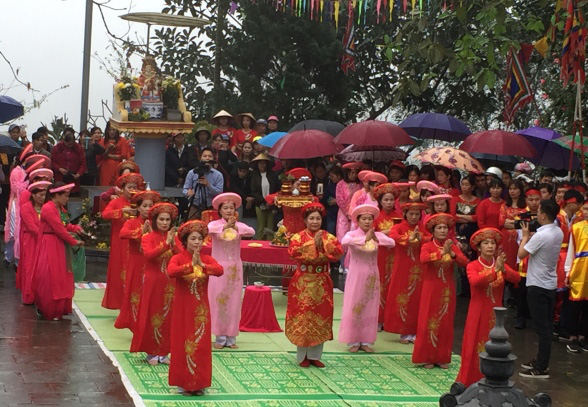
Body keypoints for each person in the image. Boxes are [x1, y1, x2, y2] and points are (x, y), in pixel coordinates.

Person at [455, 228, 521, 386]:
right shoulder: (473, 265)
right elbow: (475, 282)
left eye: (492, 243)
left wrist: (503, 268)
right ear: (478, 248)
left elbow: (516, 278)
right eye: (486, 243)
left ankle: (492, 380)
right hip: (478, 313)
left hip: (495, 314)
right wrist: (495, 270)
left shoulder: (499, 264)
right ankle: (470, 380)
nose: (490, 246)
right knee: (474, 346)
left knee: (495, 345)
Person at [167, 220, 224, 396]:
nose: (197, 242)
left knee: (200, 345)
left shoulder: (206, 259)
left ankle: (199, 384)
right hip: (182, 310)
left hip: (200, 311)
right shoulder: (177, 258)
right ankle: (183, 384)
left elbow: (220, 270)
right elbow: (171, 272)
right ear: (185, 241)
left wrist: (202, 264)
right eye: (193, 238)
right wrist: (192, 264)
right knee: (183, 344)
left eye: (200, 238)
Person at [286, 203, 343, 367]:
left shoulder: (329, 237)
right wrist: (313, 244)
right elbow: (293, 252)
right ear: (305, 220)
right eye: (311, 218)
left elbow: (338, 253)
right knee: (303, 317)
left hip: (322, 281)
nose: (315, 221)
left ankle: (315, 355)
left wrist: (323, 245)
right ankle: (302, 356)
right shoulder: (298, 237)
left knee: (321, 317)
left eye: (318, 218)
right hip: (303, 281)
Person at [412, 214, 468, 369]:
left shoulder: (453, 247)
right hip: (431, 288)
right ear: (433, 230)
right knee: (429, 321)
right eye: (439, 228)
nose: (443, 231)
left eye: (445, 228)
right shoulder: (427, 246)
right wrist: (441, 253)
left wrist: (452, 254)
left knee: (445, 321)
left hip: (447, 290)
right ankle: (428, 357)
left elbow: (465, 263)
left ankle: (442, 357)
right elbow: (423, 259)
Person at [517, 199, 564, 378]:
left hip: (537, 285)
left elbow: (521, 254)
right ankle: (540, 360)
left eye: (538, 212)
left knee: (542, 328)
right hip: (550, 284)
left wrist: (525, 235)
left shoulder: (541, 236)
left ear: (543, 214)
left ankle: (542, 366)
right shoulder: (558, 231)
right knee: (545, 326)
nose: (536, 215)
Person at [339, 204, 395, 352]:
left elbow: (392, 243)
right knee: (355, 303)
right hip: (356, 275)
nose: (367, 221)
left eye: (370, 219)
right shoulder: (352, 235)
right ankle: (353, 340)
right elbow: (344, 242)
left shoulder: (376, 235)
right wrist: (364, 240)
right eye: (364, 218)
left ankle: (366, 340)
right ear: (358, 220)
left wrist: (376, 238)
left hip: (372, 275)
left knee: (370, 305)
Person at [131, 202, 180, 365]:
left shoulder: (174, 237)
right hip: (153, 281)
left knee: (168, 315)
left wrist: (173, 244)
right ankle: (151, 352)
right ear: (155, 220)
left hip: (170, 282)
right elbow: (149, 255)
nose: (165, 223)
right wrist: (167, 244)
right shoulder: (148, 237)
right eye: (161, 219)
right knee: (153, 314)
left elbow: (181, 256)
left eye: (167, 219)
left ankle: (164, 351)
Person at [207, 193, 255, 349]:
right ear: (220, 210)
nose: (228, 211)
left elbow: (251, 232)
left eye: (231, 208)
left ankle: (231, 337)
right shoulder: (215, 225)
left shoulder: (238, 226)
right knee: (218, 301)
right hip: (218, 268)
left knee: (234, 301)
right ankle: (219, 337)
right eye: (225, 208)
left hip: (234, 268)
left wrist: (234, 226)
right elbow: (207, 229)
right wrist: (225, 227)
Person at [32, 182, 84, 320]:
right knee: (51, 276)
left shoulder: (60, 208)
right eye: (65, 196)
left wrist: (76, 228)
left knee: (61, 276)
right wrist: (74, 241)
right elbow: (59, 229)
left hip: (59, 244)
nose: (67, 199)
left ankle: (58, 309)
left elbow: (65, 225)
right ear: (56, 195)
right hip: (50, 244)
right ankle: (49, 309)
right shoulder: (48, 209)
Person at [114, 190, 161, 332]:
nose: (147, 209)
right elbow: (123, 234)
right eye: (144, 206)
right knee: (135, 294)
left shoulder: (158, 223)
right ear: (138, 207)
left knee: (152, 295)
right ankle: (136, 325)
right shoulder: (132, 222)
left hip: (153, 264)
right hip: (136, 263)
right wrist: (141, 232)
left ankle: (150, 324)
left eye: (150, 206)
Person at [384, 202, 427, 343]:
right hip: (402, 267)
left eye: (416, 214)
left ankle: (415, 331)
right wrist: (409, 238)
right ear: (405, 214)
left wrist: (421, 238)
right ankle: (403, 331)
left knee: (417, 298)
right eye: (411, 214)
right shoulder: (399, 227)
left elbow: (430, 239)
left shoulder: (423, 228)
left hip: (419, 268)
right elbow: (393, 236)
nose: (414, 217)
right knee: (402, 296)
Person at [101, 173, 144, 310]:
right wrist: (122, 210)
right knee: (119, 270)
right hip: (120, 242)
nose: (133, 190)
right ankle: (120, 303)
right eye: (129, 187)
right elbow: (105, 214)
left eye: (135, 187)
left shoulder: (140, 202)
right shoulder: (116, 202)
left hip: (137, 241)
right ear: (123, 188)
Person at [18, 181, 51, 304]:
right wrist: (44, 238)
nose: (42, 198)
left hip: (43, 240)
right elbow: (31, 227)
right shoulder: (26, 208)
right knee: (30, 267)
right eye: (40, 195)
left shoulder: (46, 207)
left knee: (41, 269)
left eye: (44, 195)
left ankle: (41, 295)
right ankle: (29, 296)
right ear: (33, 195)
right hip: (31, 240)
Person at [373, 183, 398, 330]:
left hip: (395, 254)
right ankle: (378, 319)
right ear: (380, 201)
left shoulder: (399, 216)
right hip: (380, 254)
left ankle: (390, 319)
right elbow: (372, 235)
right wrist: (390, 231)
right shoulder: (375, 216)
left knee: (393, 285)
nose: (389, 202)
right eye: (386, 200)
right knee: (379, 284)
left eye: (391, 200)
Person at [564, 198, 588, 353]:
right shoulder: (577, 227)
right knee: (575, 304)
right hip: (579, 268)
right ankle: (572, 336)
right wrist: (567, 271)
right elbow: (571, 251)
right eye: (585, 208)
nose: (586, 212)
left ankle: (583, 335)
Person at [336, 162, 364, 270]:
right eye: (351, 173)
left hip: (356, 215)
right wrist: (347, 212)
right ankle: (342, 263)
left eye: (355, 173)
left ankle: (351, 264)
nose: (353, 175)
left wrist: (354, 213)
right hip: (343, 215)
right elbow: (339, 199)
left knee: (354, 238)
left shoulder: (360, 185)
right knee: (342, 238)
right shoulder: (340, 184)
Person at [182, 148, 224, 219]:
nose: (207, 158)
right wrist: (188, 193)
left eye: (210, 156)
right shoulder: (192, 173)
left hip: (211, 208)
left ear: (213, 158)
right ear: (200, 158)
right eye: (204, 156)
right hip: (194, 207)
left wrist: (208, 185)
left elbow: (219, 193)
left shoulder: (218, 175)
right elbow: (184, 190)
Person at [249, 153, 280, 239]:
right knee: (261, 227)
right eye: (260, 163)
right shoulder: (254, 175)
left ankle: (269, 247)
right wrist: (263, 201)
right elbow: (254, 191)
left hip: (272, 204)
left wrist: (271, 202)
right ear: (257, 164)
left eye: (264, 163)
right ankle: (259, 246)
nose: (262, 165)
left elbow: (276, 189)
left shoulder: (273, 175)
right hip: (260, 204)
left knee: (270, 227)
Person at [499, 180, 527, 269]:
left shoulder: (526, 206)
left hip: (521, 238)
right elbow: (502, 222)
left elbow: (526, 223)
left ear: (520, 190)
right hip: (506, 239)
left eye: (515, 189)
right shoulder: (504, 206)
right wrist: (518, 223)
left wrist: (510, 221)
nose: (512, 191)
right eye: (510, 189)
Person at [452, 174, 481, 254]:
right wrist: (469, 218)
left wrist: (460, 215)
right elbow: (453, 216)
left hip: (472, 232)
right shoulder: (455, 199)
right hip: (457, 232)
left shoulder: (477, 201)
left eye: (467, 185)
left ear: (472, 187)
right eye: (462, 184)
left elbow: (476, 218)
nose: (464, 187)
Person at [322, 165, 343, 236]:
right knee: (330, 233)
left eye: (332, 176)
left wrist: (337, 201)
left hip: (342, 212)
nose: (330, 178)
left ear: (339, 176)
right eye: (330, 176)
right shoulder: (330, 186)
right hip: (331, 213)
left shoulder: (344, 185)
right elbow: (325, 199)